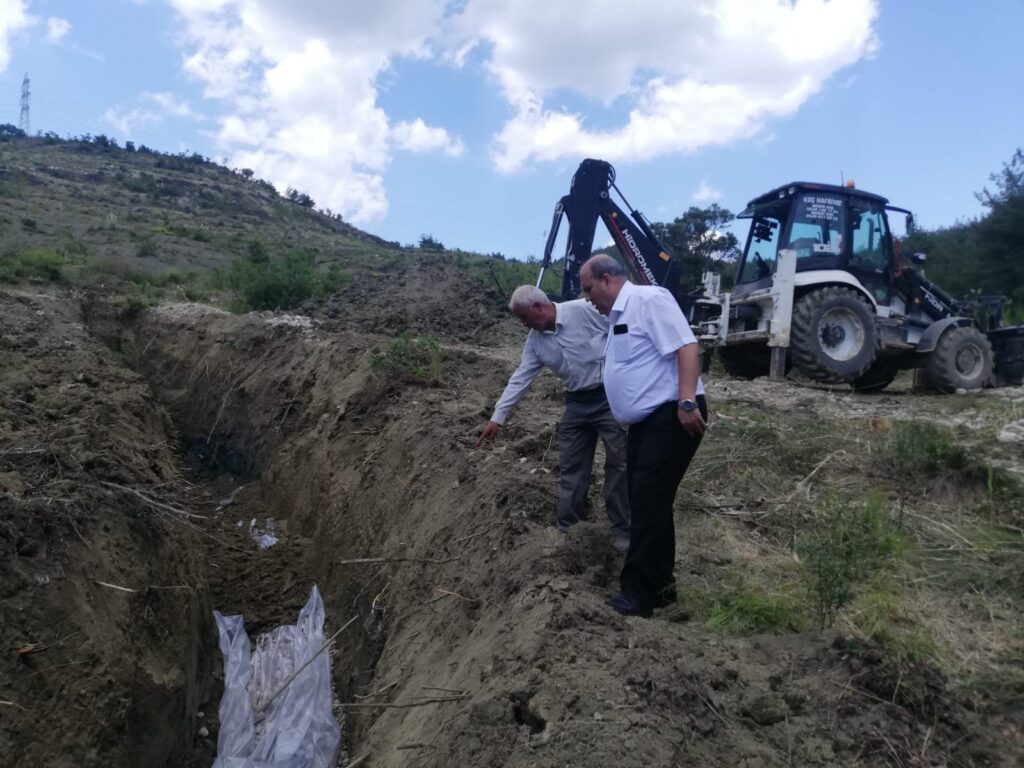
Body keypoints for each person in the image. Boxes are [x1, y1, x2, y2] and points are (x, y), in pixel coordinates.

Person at [579, 255, 708, 618]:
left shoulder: (649, 300)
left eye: (589, 289)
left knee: (648, 500)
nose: (588, 298)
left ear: (607, 280)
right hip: (647, 423)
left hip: (672, 415)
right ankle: (663, 589)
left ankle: (637, 595)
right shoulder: (617, 316)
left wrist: (686, 400)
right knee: (649, 502)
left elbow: (687, 346)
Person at [477, 285, 630, 551]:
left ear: (539, 307)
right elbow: (521, 377)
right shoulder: (535, 341)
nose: (524, 325)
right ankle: (569, 530)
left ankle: (623, 531)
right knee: (572, 467)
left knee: (619, 465)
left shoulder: (584, 311)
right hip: (576, 403)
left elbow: (622, 330)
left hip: (609, 398)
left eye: (524, 318)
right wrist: (497, 417)